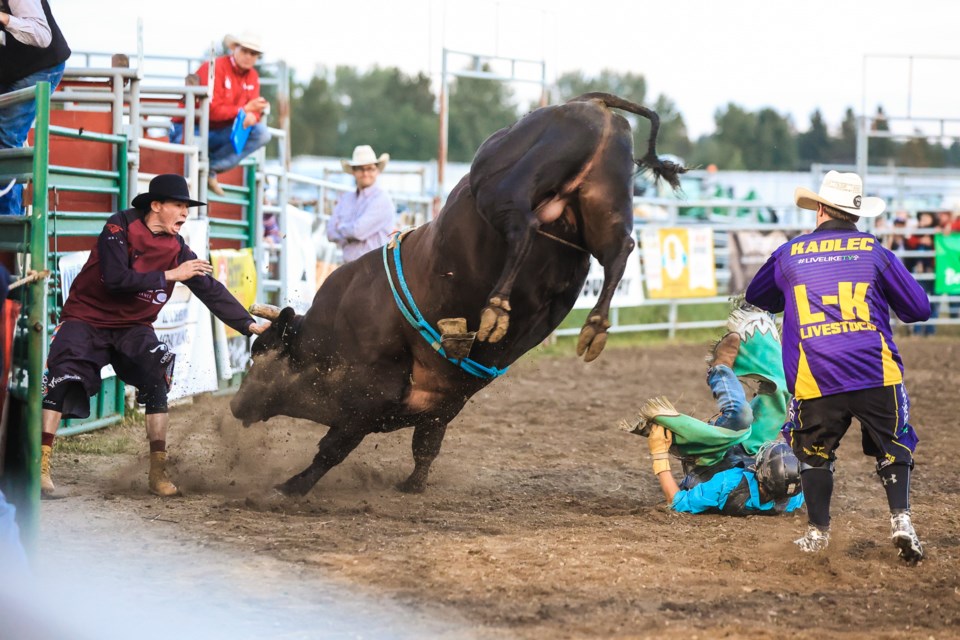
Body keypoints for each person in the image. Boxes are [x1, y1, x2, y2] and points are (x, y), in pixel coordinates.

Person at [39, 174, 270, 498]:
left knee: (159, 371)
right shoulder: (119, 228)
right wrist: (172, 275)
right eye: (179, 205)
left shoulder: (177, 247)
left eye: (187, 207)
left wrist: (249, 325)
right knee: (62, 376)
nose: (185, 213)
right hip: (86, 317)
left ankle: (157, 471)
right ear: (156, 205)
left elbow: (210, 290)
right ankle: (41, 466)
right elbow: (116, 279)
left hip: (133, 327)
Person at [745, 170, 930, 563]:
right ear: (855, 216)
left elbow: (757, 295)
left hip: (817, 372)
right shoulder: (876, 253)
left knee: (814, 453)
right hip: (873, 367)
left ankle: (817, 532)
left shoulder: (790, 253)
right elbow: (918, 309)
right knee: (893, 442)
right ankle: (901, 520)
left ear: (820, 210)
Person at [624, 302, 804, 516]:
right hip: (745, 454)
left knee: (740, 418)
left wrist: (658, 454)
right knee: (781, 393)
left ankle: (719, 369)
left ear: (759, 471)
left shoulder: (726, 485)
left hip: (710, 461)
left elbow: (677, 502)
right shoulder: (792, 497)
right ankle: (762, 340)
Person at [170, 32, 271, 197]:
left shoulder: (252, 76)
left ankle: (210, 168)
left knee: (261, 133)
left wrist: (253, 116)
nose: (248, 56)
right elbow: (211, 111)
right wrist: (244, 111)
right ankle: (197, 177)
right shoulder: (214, 68)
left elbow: (255, 108)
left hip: (217, 131)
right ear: (234, 49)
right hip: (189, 128)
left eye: (253, 53)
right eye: (244, 51)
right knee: (191, 147)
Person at [0, 0, 71, 215]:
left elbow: (41, 35)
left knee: (6, 139)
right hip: (7, 65)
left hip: (38, 66)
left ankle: (8, 223)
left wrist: (3, 18)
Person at [326, 145, 396, 263]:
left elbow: (358, 232)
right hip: (349, 266)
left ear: (377, 171)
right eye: (360, 169)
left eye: (370, 168)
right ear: (354, 172)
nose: (365, 173)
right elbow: (330, 232)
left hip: (375, 268)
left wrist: (341, 228)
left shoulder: (382, 199)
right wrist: (349, 233)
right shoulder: (346, 198)